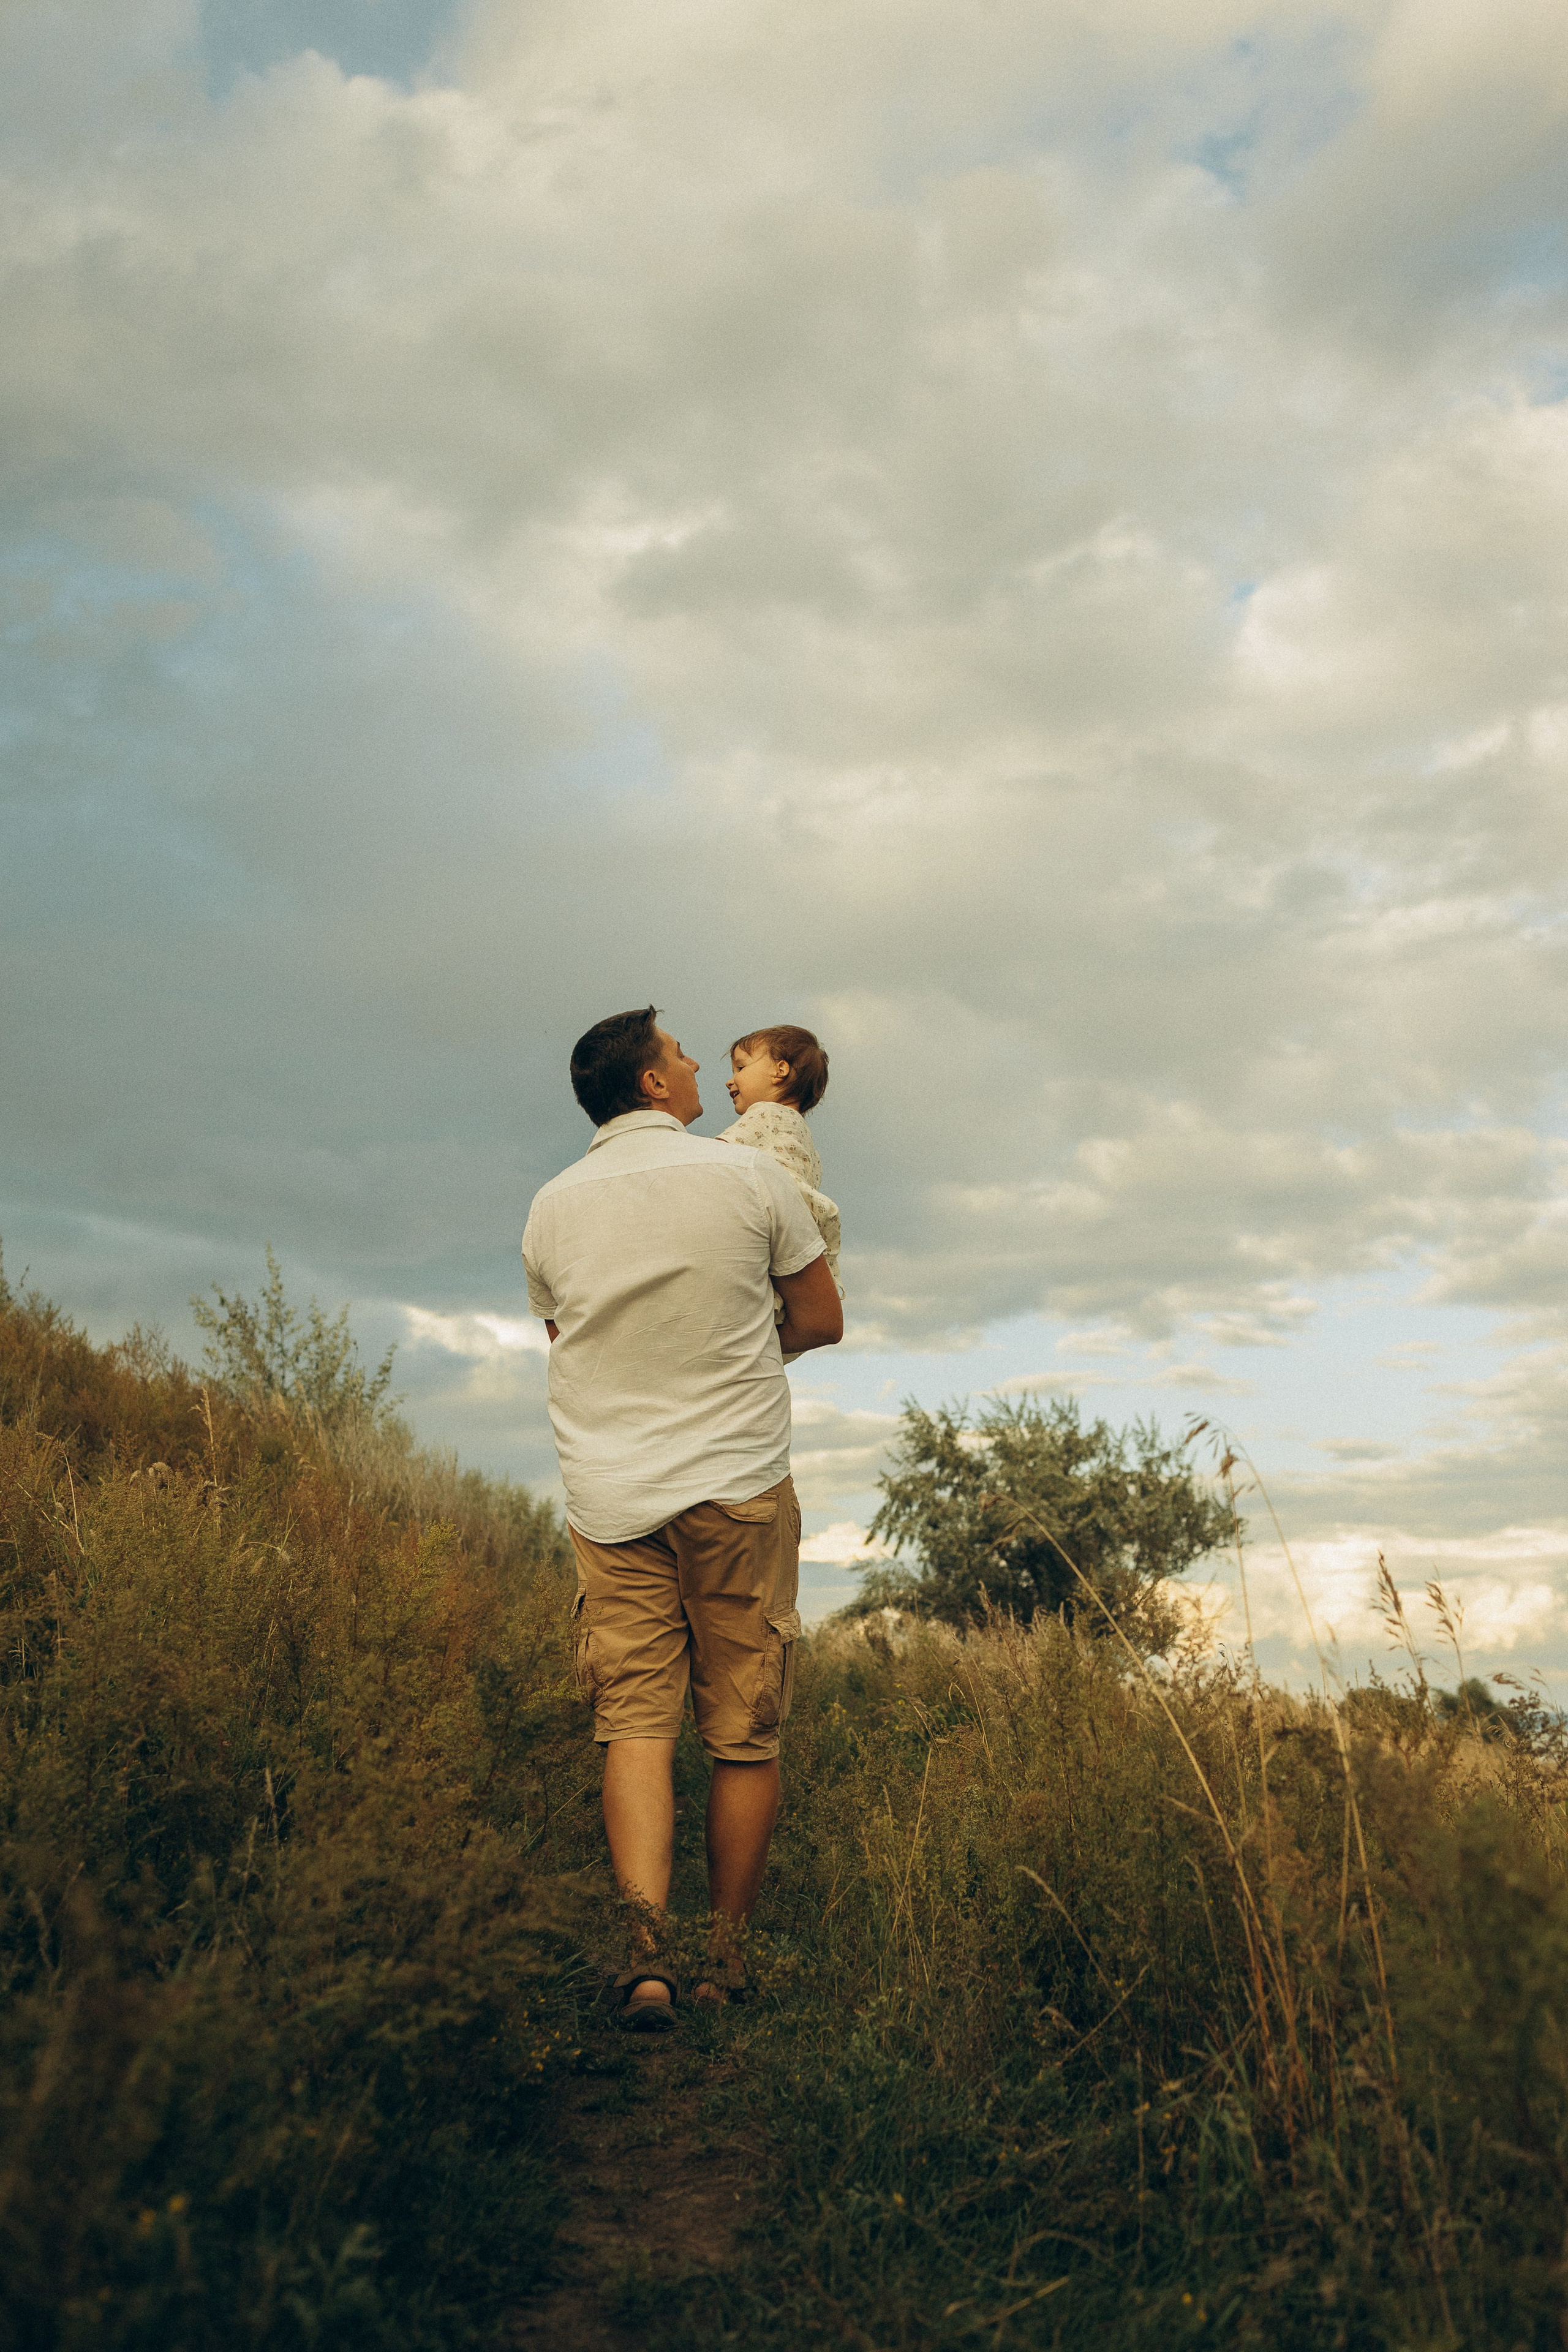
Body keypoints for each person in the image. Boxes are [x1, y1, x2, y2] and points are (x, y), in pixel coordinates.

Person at [521, 1006, 843, 2030]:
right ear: (654, 1085)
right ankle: (726, 1963)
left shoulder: (550, 1207)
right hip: (737, 1485)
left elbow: (567, 1332)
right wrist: (740, 1352)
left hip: (610, 1498)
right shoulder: (748, 1178)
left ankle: (646, 1962)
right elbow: (821, 1318)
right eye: (680, 1053)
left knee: (636, 1723)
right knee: (744, 1730)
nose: (700, 1061)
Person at [717, 1025, 840, 1310]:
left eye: (740, 1067)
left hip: (764, 1223)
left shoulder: (766, 1114)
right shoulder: (804, 1136)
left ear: (780, 1070)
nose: (730, 1081)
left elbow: (716, 1157)